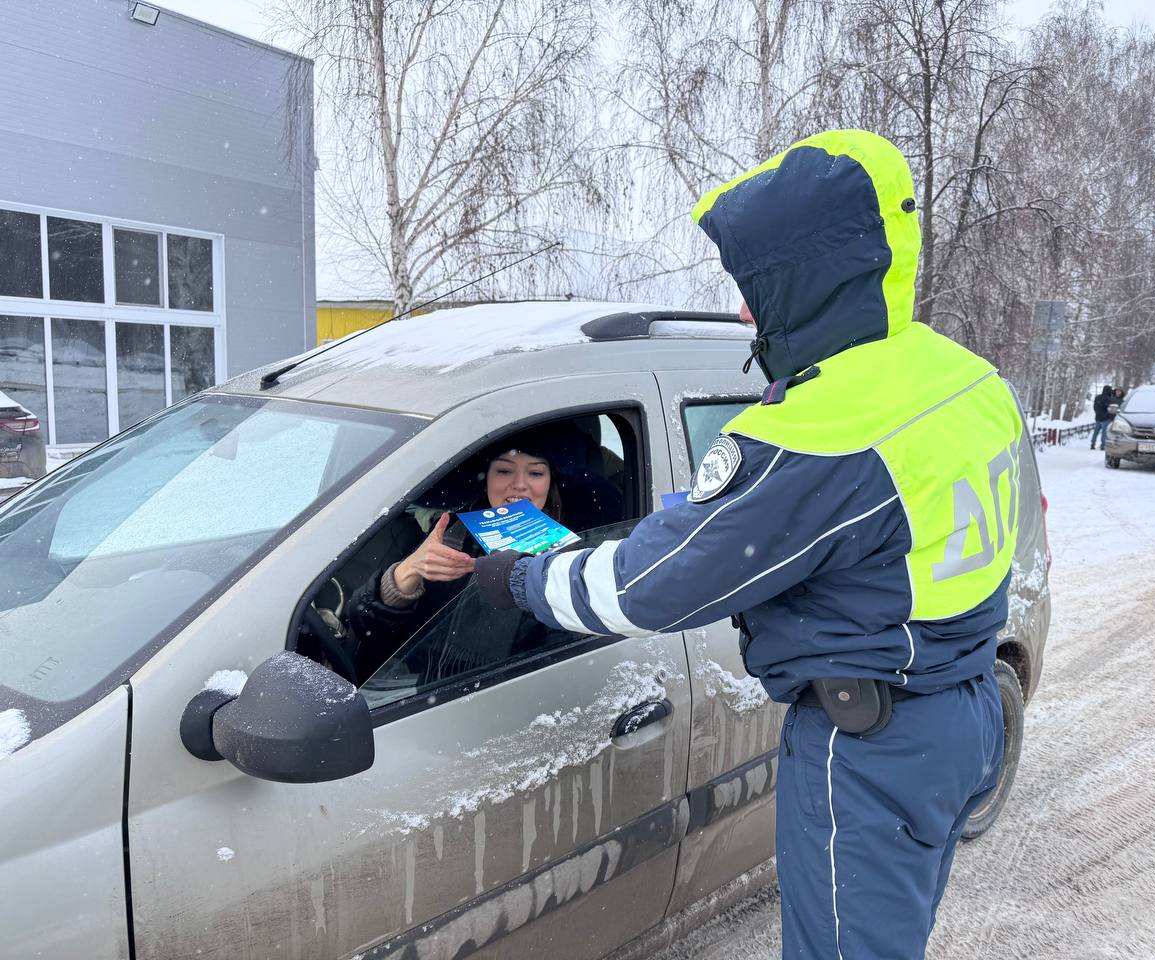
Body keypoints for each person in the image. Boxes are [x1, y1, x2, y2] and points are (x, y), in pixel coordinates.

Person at [475, 130, 1020, 959]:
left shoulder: (821, 433)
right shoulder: (964, 378)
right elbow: (821, 526)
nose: (741, 310)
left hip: (868, 748)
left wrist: (521, 579)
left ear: (806, 279)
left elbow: (649, 590)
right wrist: (697, 519)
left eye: (754, 286)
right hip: (959, 709)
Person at [343, 426, 566, 682]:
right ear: (487, 479)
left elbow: (561, 660)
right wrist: (404, 576)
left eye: (536, 472)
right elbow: (366, 631)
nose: (519, 485)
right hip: (410, 698)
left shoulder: (572, 552)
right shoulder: (449, 533)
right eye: (504, 471)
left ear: (551, 482)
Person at [1091, 384, 1116, 449]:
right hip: (1105, 419)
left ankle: (1092, 444)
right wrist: (1107, 416)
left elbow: (1094, 407)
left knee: (1096, 432)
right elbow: (1110, 409)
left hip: (1098, 418)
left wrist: (1097, 413)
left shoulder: (1097, 397)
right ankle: (1103, 445)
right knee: (1104, 432)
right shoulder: (1109, 399)